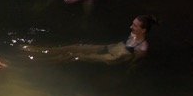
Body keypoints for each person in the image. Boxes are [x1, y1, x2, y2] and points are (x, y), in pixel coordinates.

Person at [26, 15, 155, 64]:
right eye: (132, 24)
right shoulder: (132, 34)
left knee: (74, 55)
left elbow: (132, 63)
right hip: (109, 48)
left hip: (112, 58)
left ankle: (42, 61)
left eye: (135, 26)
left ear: (143, 30)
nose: (131, 27)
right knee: (76, 47)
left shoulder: (142, 47)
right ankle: (43, 50)